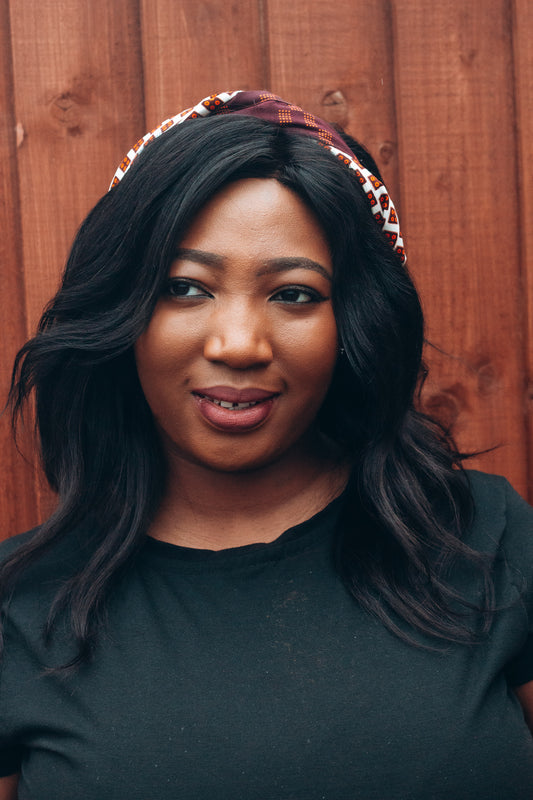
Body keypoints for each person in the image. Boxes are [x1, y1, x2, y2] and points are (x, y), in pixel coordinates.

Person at [0, 89, 532, 800]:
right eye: (187, 288)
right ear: (124, 310)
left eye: (293, 294)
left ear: (354, 324)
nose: (239, 345)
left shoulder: (483, 538)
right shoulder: (24, 603)